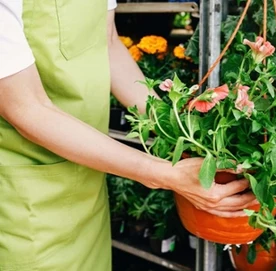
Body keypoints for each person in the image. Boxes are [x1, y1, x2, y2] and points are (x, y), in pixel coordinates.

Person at [0, 0, 256, 269]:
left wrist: (176, 125)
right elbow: (26, 107)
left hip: (87, 184)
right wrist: (163, 174)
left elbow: (107, 43)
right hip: (24, 200)